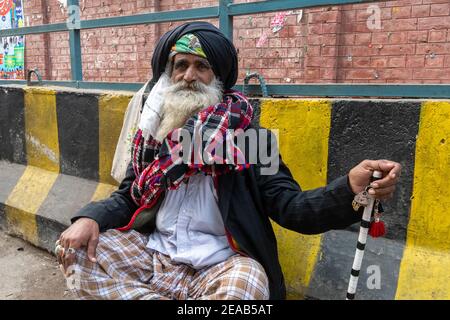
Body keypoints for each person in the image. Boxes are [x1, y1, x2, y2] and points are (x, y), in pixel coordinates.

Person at [56, 21, 401, 300]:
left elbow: (292, 207)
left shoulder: (252, 141)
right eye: (181, 66)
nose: (189, 76)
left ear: (218, 78)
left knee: (248, 286)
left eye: (201, 66)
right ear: (169, 74)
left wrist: (349, 189)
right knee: (75, 254)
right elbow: (130, 195)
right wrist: (91, 218)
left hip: (221, 266)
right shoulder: (155, 135)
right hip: (154, 254)